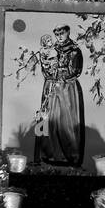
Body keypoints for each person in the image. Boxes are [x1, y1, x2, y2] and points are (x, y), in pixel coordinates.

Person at [33, 25, 85, 167]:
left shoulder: (74, 50)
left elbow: (74, 70)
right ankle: (49, 154)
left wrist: (59, 74)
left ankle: (70, 155)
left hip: (66, 89)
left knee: (66, 121)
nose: (59, 36)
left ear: (68, 32)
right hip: (51, 87)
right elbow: (45, 68)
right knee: (48, 120)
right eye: (57, 34)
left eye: (62, 33)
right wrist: (48, 68)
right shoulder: (51, 48)